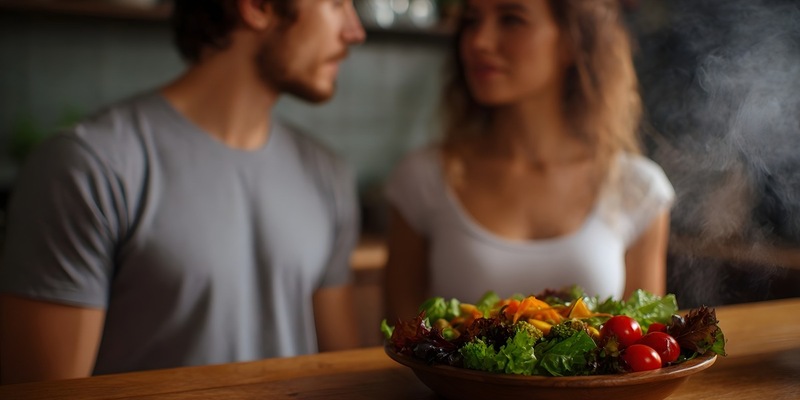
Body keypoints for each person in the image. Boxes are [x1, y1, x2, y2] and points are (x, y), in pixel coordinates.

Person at [0, 0, 366, 384]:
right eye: (336, 3)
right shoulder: (89, 168)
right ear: (256, 7)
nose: (355, 30)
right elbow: (47, 392)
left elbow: (341, 374)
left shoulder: (328, 174)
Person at [383, 0, 675, 321]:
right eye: (471, 20)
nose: (478, 41)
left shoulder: (637, 188)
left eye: (511, 19)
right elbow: (402, 340)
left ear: (571, 42)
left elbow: (645, 343)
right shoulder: (423, 179)